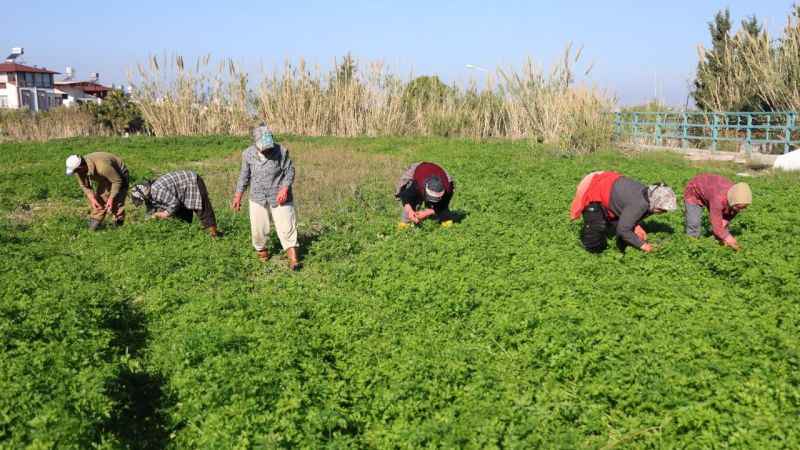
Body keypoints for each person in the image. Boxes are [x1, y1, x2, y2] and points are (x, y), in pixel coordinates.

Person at [232, 125, 299, 270]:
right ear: (255, 143)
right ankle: (262, 255)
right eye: (263, 147)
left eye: (269, 147)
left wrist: (284, 188)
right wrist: (238, 196)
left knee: (287, 226)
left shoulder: (281, 151)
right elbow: (244, 176)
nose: (267, 150)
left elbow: (290, 171)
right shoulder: (248, 154)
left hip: (280, 195)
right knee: (258, 229)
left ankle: (294, 260)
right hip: (257, 196)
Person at [570, 171, 677, 253]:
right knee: (596, 228)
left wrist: (635, 226)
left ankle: (620, 248)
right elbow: (623, 229)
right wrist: (644, 246)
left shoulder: (649, 195)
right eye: (662, 209)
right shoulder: (640, 204)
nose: (663, 212)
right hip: (594, 188)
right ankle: (592, 254)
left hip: (610, 188)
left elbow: (628, 211)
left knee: (630, 232)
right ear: (656, 203)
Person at [130, 170, 219, 237]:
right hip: (182, 189)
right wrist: (146, 222)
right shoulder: (149, 196)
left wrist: (164, 214)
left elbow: (174, 203)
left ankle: (214, 236)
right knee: (182, 217)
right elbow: (150, 212)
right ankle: (186, 237)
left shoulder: (156, 191)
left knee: (202, 210)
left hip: (192, 181)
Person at [684, 173, 751, 251]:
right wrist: (728, 238)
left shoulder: (738, 197)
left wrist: (724, 225)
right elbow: (716, 224)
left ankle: (719, 244)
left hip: (711, 192)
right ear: (733, 202)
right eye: (739, 208)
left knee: (722, 226)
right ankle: (691, 246)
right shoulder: (718, 200)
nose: (740, 211)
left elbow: (729, 215)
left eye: (744, 208)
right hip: (695, 191)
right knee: (694, 222)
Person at [65, 152, 129, 230]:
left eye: (75, 171)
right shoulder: (79, 170)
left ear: (81, 167)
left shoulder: (102, 167)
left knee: (117, 201)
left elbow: (117, 181)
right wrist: (92, 199)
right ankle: (93, 225)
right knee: (100, 200)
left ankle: (118, 226)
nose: (75, 173)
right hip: (104, 176)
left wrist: (111, 198)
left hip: (119, 173)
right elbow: (84, 186)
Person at [394, 162, 455, 228]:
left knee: (442, 206)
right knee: (402, 192)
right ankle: (405, 223)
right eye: (430, 197)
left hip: (439, 171)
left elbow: (444, 204)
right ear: (425, 190)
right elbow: (405, 197)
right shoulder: (416, 185)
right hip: (419, 169)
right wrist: (410, 211)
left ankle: (445, 219)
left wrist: (427, 212)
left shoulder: (448, 188)